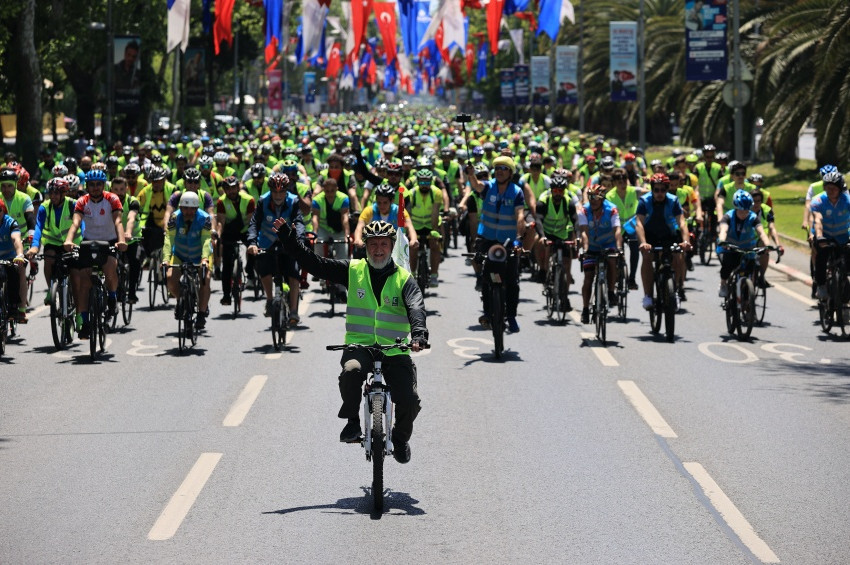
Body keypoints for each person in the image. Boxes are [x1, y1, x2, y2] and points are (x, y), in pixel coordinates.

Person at [275, 218, 427, 464]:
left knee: (409, 401)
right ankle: (352, 422)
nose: (378, 249)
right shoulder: (353, 270)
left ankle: (399, 439)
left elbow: (416, 309)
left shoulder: (404, 279)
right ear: (365, 247)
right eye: (373, 244)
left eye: (384, 244)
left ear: (391, 246)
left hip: (395, 349)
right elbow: (315, 264)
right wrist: (290, 242)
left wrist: (419, 334)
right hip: (360, 346)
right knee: (351, 371)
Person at [63, 169, 128, 339]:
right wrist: (69, 240)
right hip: (88, 242)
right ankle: (85, 322)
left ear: (104, 185)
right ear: (87, 186)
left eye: (99, 184)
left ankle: (113, 297)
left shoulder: (112, 199)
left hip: (109, 241)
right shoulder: (82, 201)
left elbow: (118, 221)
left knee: (109, 268)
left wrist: (121, 240)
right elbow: (76, 223)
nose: (95, 188)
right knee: (84, 283)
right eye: (91, 184)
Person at [465, 155, 526, 333]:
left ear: (510, 172)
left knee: (512, 281)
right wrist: (471, 175)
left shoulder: (516, 192)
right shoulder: (489, 186)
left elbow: (520, 216)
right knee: (486, 276)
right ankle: (487, 311)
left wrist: (519, 239)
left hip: (508, 242)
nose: (499, 171)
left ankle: (512, 317)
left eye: (504, 168)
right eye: (497, 168)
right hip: (487, 239)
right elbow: (476, 185)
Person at [247, 173, 304, 323]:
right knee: (264, 269)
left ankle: (293, 311)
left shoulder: (293, 201)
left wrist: (299, 240)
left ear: (287, 191)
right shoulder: (262, 201)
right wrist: (252, 243)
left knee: (293, 274)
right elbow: (254, 223)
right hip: (267, 241)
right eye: (275, 192)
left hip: (287, 241)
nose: (278, 195)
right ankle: (270, 299)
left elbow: (298, 222)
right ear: (270, 191)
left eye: (282, 192)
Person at [635, 173, 691, 310]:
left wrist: (686, 241)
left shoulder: (673, 200)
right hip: (649, 236)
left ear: (667, 189)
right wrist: (643, 242)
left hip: (668, 234)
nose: (660, 193)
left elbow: (682, 223)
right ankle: (648, 295)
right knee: (647, 257)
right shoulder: (644, 201)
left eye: (663, 190)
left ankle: (676, 290)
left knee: (678, 256)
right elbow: (639, 224)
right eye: (656, 190)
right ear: (652, 189)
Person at [26, 177, 81, 307]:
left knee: (75, 276)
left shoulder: (73, 204)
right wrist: (34, 247)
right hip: (53, 242)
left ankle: (79, 315)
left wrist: (78, 243)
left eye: (56, 193)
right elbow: (38, 227)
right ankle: (51, 289)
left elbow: (81, 224)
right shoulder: (44, 207)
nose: (52, 196)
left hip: (72, 243)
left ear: (64, 193)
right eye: (50, 193)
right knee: (48, 260)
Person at [162, 191, 213, 330]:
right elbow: (169, 239)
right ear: (180, 207)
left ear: (197, 208)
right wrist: (166, 259)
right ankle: (182, 299)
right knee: (170, 279)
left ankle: (201, 314)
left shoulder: (205, 218)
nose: (188, 212)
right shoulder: (174, 217)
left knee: (205, 278)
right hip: (180, 254)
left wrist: (204, 259)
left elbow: (206, 239)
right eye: (185, 208)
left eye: (192, 209)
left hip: (200, 255)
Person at [578, 185, 622, 323]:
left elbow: (617, 230)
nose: (593, 201)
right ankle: (585, 309)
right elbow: (584, 232)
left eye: (596, 198)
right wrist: (585, 250)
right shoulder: (584, 210)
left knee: (612, 261)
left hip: (608, 244)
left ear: (603, 199)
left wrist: (619, 248)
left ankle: (610, 292)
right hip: (591, 246)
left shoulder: (612, 210)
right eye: (590, 197)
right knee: (588, 278)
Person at [534, 174, 578, 312]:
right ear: (551, 190)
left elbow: (575, 220)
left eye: (561, 191)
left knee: (566, 263)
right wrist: (542, 236)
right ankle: (543, 269)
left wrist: (576, 237)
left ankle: (565, 297)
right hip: (547, 232)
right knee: (542, 244)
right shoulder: (543, 201)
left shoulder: (569, 202)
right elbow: (539, 220)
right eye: (555, 191)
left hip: (563, 233)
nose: (558, 194)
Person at [717, 190, 773, 297]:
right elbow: (723, 230)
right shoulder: (728, 216)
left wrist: (767, 244)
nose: (744, 214)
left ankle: (748, 299)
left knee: (751, 269)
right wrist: (722, 241)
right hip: (730, 247)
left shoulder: (752, 217)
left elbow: (761, 233)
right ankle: (723, 283)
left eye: (747, 211)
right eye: (741, 211)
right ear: (736, 208)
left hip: (748, 248)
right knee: (727, 266)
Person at [215, 176, 256, 305]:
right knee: (227, 265)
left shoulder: (249, 200)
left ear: (238, 187)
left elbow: (251, 221)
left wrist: (251, 238)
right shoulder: (221, 202)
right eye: (228, 189)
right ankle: (226, 295)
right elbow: (221, 222)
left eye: (234, 188)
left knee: (253, 250)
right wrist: (218, 235)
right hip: (229, 232)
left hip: (245, 230)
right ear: (224, 190)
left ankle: (250, 272)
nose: (231, 191)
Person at [811, 171, 850, 301]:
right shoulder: (818, 201)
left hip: (843, 236)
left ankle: (844, 288)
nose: (831, 191)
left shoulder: (847, 200)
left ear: (840, 189)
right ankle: (821, 286)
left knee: (846, 265)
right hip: (825, 236)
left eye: (834, 188)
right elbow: (818, 220)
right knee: (821, 256)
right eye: (828, 187)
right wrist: (820, 236)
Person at [406, 168, 443, 287]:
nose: (424, 185)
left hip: (430, 224)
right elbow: (408, 213)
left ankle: (433, 275)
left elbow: (435, 213)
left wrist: (434, 232)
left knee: (434, 244)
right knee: (413, 246)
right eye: (422, 182)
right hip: (415, 225)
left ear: (431, 182)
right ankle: (412, 273)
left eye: (427, 182)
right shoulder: (411, 193)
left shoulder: (437, 192)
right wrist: (410, 231)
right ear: (417, 181)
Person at [0, 198, 29, 323]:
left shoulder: (10, 223)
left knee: (14, 273)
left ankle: (13, 307)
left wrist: (20, 255)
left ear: (4, 211)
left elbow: (16, 239)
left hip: (10, 256)